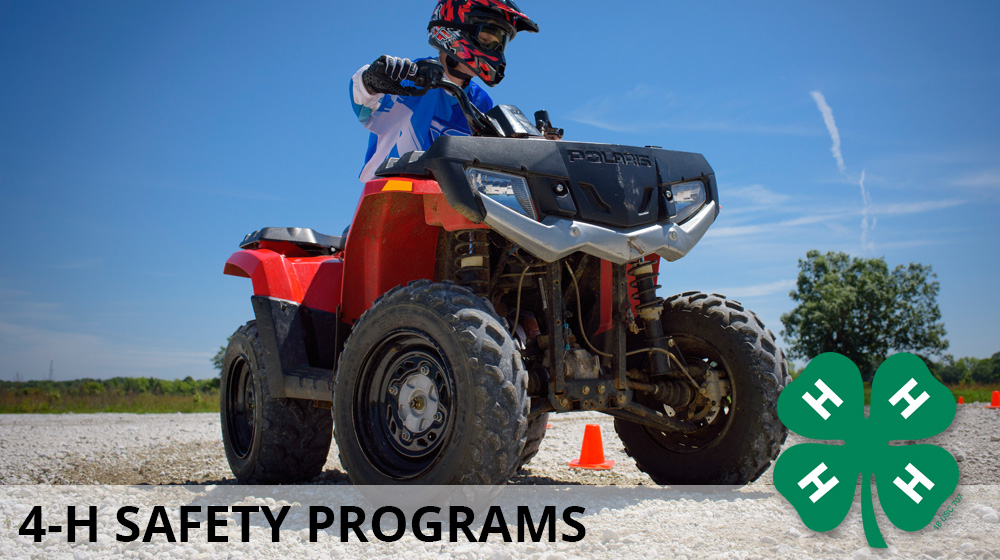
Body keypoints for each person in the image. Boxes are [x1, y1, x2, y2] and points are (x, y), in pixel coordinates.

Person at [349, 0, 539, 182]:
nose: (496, 51)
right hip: (389, 196)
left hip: (445, 204)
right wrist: (370, 79)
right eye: (486, 39)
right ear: (453, 30)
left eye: (500, 44)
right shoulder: (408, 76)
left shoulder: (480, 102)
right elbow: (364, 104)